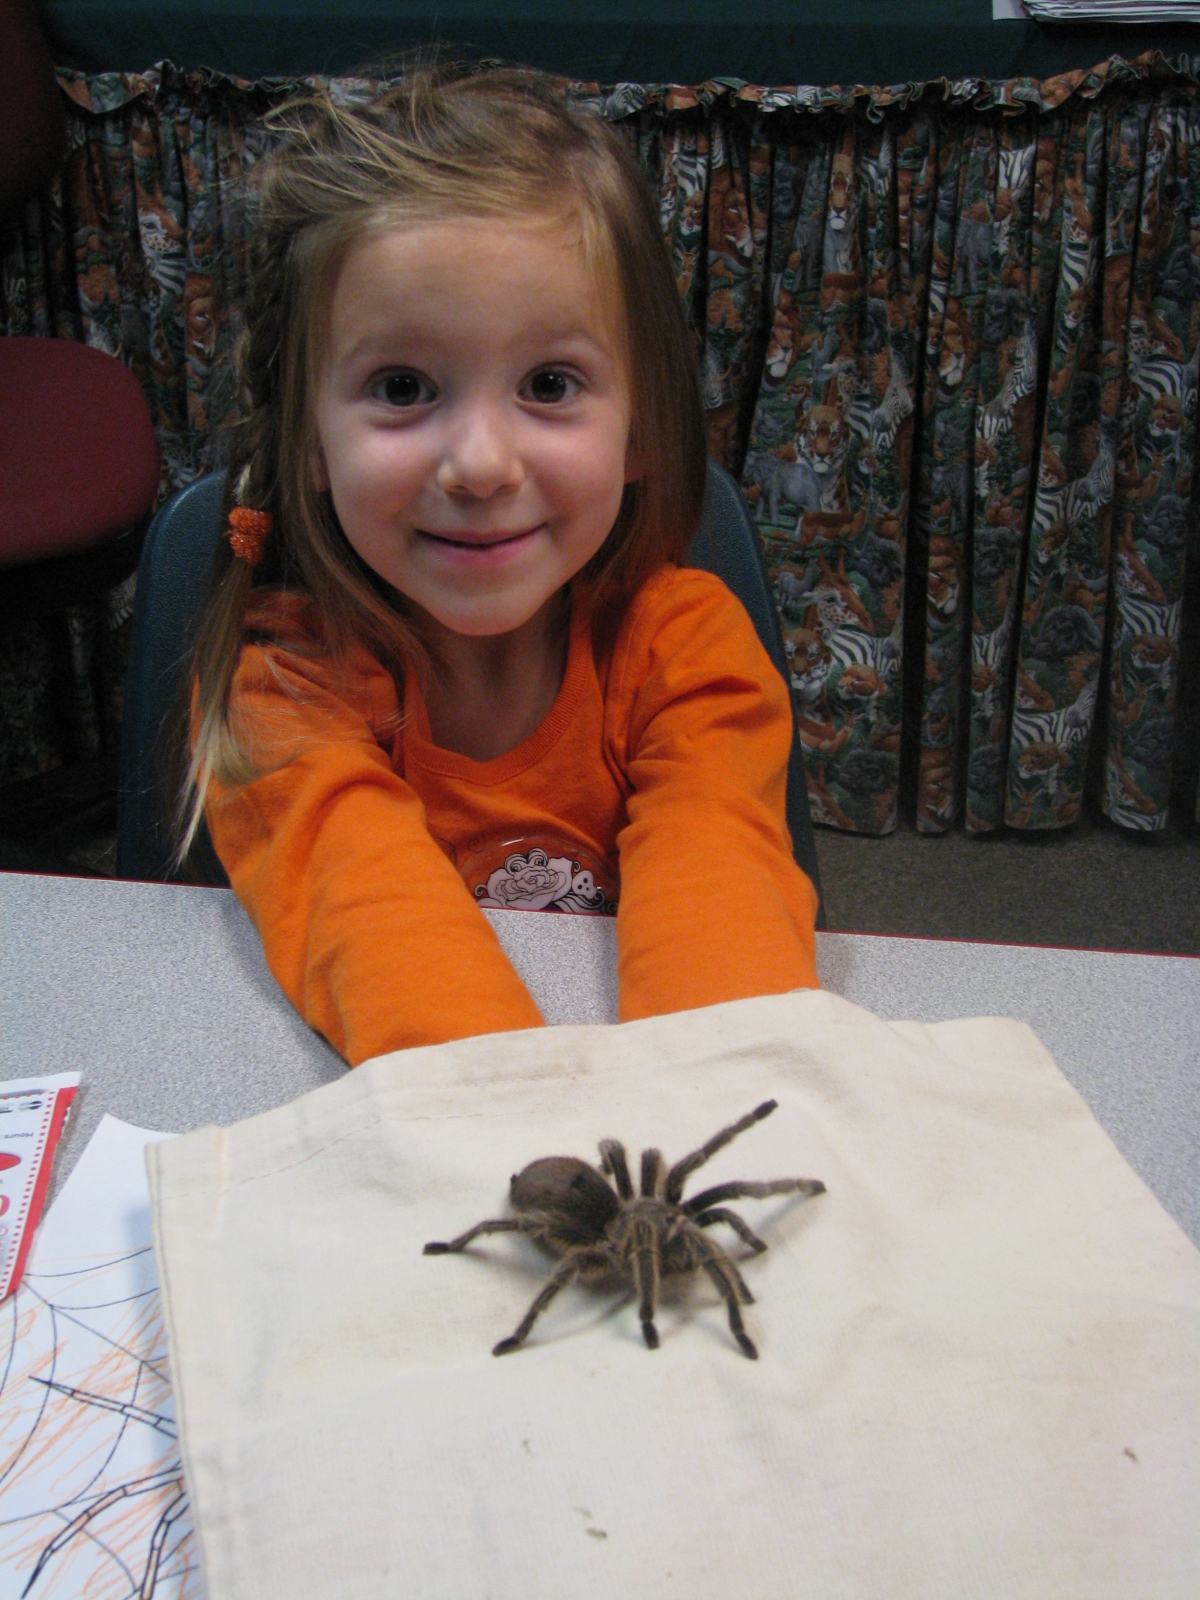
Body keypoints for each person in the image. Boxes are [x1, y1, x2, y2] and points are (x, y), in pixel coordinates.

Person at [180, 65, 819, 1066]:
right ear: (308, 440)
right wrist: (526, 1132)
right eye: (401, 386)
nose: (480, 463)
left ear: (640, 427)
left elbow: (723, 948)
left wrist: (704, 1121)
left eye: (550, 383)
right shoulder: (284, 684)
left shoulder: (687, 651)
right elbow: (375, 925)